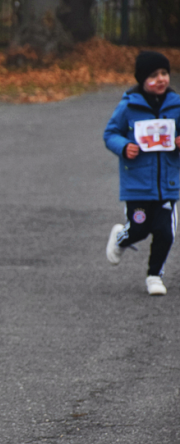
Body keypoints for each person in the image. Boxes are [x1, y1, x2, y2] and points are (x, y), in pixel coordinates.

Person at [104, 50, 180, 295]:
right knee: (139, 228)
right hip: (137, 184)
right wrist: (124, 147)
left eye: (164, 73)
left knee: (165, 233)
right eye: (153, 75)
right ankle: (121, 238)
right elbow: (110, 134)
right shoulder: (128, 106)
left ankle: (154, 275)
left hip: (168, 184)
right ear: (141, 79)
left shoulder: (177, 106)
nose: (161, 79)